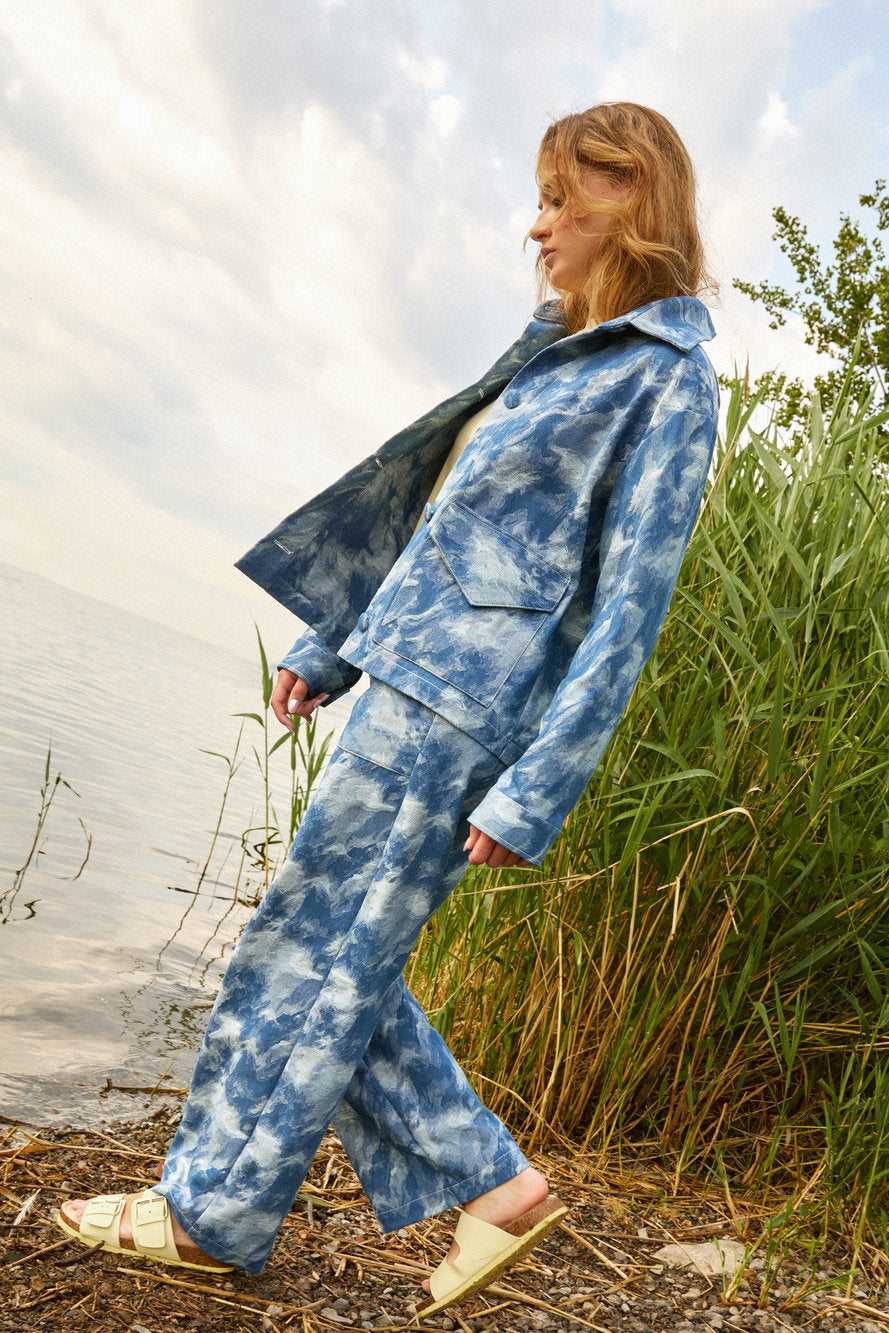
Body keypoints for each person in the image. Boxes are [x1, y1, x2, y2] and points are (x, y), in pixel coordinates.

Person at [58, 102, 719, 1317]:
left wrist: (537, 784)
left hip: (464, 715)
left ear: (628, 200)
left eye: (559, 201)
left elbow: (630, 608)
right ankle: (492, 1186)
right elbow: (439, 523)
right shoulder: (556, 347)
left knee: (303, 946)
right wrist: (332, 644)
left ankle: (210, 1216)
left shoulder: (664, 381)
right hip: (413, 685)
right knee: (331, 952)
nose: (536, 227)